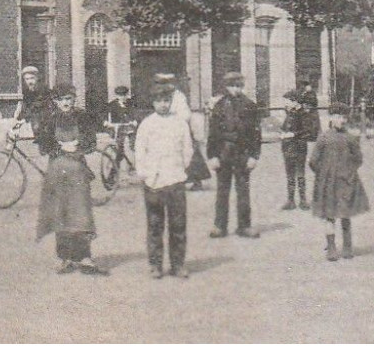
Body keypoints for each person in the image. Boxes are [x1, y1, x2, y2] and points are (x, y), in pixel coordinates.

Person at [33, 84, 107, 275]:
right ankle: (65, 258)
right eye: (61, 99)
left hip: (78, 170)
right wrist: (60, 148)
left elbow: (91, 142)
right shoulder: (49, 119)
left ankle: (84, 257)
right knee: (61, 212)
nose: (66, 103)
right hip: (57, 170)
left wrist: (79, 145)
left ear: (74, 99)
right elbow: (43, 144)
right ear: (56, 101)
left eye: (69, 99)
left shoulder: (82, 117)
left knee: (81, 212)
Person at [133, 79, 196, 279]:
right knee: (155, 225)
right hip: (154, 181)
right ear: (153, 102)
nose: (163, 104)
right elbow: (140, 152)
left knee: (178, 225)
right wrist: (145, 174)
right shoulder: (147, 124)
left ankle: (177, 264)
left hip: (175, 179)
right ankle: (156, 265)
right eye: (159, 101)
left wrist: (179, 169)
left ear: (171, 101)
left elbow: (188, 150)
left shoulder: (180, 124)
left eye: (166, 100)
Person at [207, 71, 262, 239]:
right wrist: (212, 156)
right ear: (226, 86)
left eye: (239, 85)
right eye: (232, 85)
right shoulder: (219, 105)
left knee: (243, 190)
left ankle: (244, 226)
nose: (236, 89)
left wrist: (254, 156)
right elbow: (213, 133)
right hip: (223, 152)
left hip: (242, 153)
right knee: (222, 191)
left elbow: (255, 134)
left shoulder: (250, 106)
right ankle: (219, 226)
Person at [309, 113, 369, 261]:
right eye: (338, 117)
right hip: (329, 182)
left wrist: (347, 171)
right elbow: (313, 160)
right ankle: (332, 248)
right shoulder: (324, 138)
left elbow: (358, 158)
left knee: (345, 213)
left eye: (344, 117)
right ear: (330, 118)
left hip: (344, 181)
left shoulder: (350, 138)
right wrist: (323, 174)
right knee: (329, 215)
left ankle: (347, 247)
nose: (342, 120)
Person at [279, 88, 319, 210]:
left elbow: (308, 131)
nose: (285, 103)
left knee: (300, 174)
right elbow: (284, 127)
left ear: (295, 101)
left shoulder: (303, 114)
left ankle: (303, 201)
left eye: (287, 101)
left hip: (299, 147)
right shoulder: (289, 113)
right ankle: (290, 200)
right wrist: (282, 133)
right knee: (290, 174)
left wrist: (293, 134)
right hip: (287, 147)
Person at [104, 85, 136, 170]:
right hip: (117, 128)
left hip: (129, 126)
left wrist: (134, 120)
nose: (122, 97)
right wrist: (106, 122)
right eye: (120, 95)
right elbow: (106, 115)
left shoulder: (130, 103)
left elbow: (134, 113)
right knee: (119, 147)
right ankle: (116, 167)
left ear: (127, 95)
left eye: (124, 95)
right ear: (117, 96)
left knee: (133, 145)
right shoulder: (112, 104)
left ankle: (135, 161)